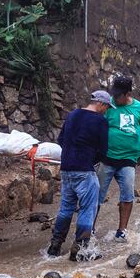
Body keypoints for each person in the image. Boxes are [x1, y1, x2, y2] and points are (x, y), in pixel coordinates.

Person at [48, 90, 112, 260]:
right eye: (107, 107)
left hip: (66, 168)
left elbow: (61, 140)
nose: (106, 111)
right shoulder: (100, 121)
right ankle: (80, 248)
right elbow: (103, 150)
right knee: (87, 208)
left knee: (66, 208)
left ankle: (55, 246)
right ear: (101, 104)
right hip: (84, 170)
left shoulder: (72, 115)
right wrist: (91, 160)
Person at [97, 76, 140, 243]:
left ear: (128, 94)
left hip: (128, 159)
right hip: (107, 157)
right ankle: (89, 229)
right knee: (97, 194)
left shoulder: (139, 108)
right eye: (114, 94)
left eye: (118, 95)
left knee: (127, 195)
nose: (115, 98)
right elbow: (97, 126)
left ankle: (122, 231)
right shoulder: (108, 105)